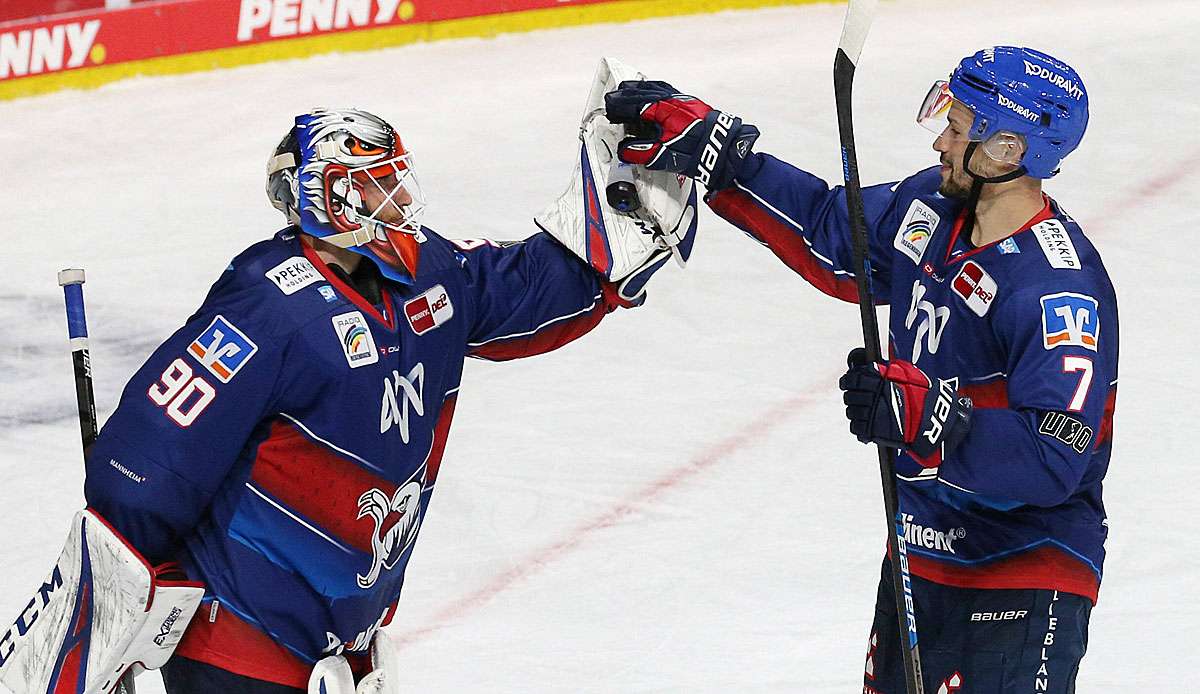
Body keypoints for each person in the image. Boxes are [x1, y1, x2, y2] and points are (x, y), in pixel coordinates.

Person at [0, 106, 695, 694]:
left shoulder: (429, 274)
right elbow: (149, 457)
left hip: (344, 639)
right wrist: (119, 589)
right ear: (331, 199)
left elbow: (522, 288)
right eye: (378, 184)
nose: (398, 197)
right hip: (236, 643)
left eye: (395, 179)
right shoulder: (267, 307)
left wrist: (621, 203)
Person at [605, 46, 1116, 693]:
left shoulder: (1055, 289)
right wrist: (728, 162)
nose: (939, 140)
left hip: (1026, 569)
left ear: (1008, 151)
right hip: (921, 546)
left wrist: (939, 421)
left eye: (957, 128)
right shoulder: (927, 207)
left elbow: (1055, 456)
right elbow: (830, 236)